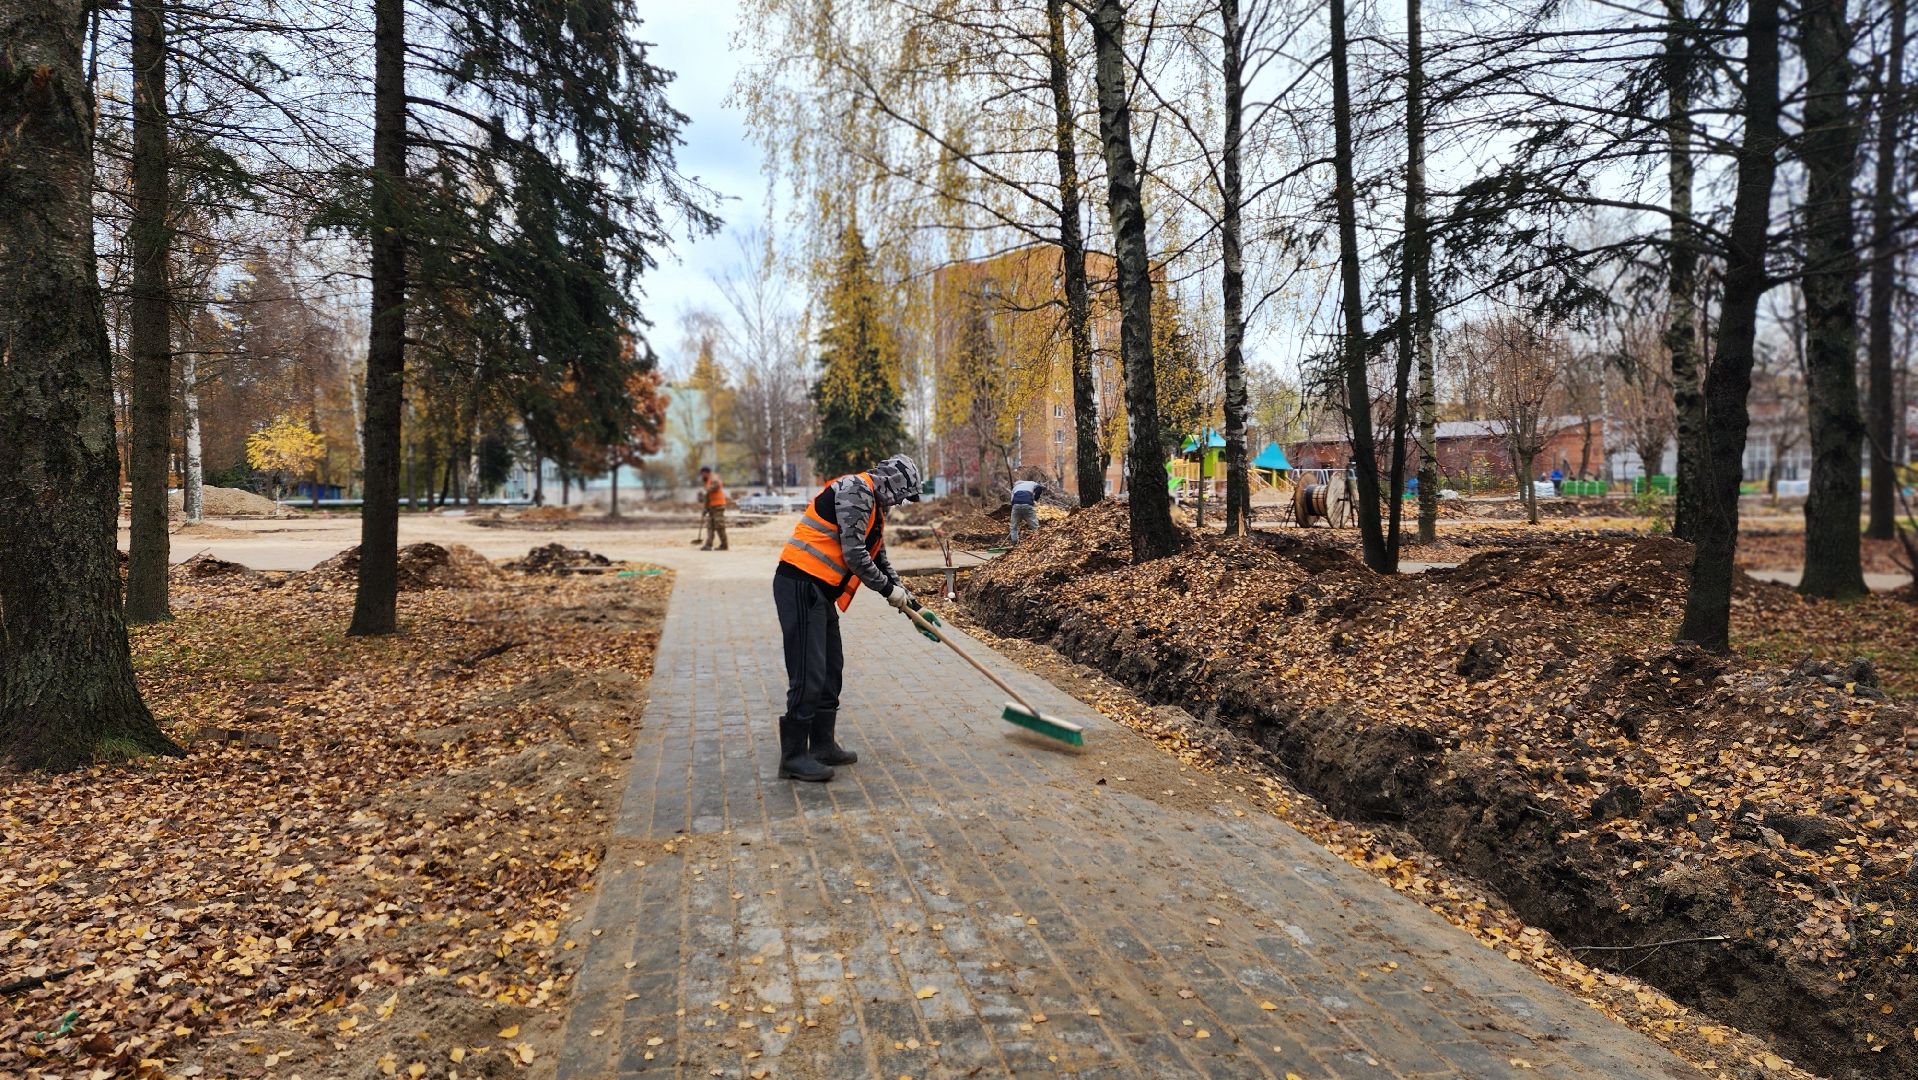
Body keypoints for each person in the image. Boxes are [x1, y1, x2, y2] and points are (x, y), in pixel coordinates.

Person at [772, 454, 922, 782]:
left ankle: (822, 744)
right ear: (892, 482)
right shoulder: (856, 491)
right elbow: (855, 555)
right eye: (902, 495)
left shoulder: (874, 509)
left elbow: (878, 557)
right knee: (808, 671)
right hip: (799, 583)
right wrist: (887, 592)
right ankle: (794, 756)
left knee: (830, 669)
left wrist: (909, 601)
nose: (899, 503)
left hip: (818, 591)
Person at [698, 466, 729, 550]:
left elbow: (716, 486)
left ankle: (724, 545)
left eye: (702, 474)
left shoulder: (714, 478)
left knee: (719, 526)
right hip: (712, 506)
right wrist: (705, 508)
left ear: (706, 472)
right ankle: (708, 545)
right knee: (710, 526)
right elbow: (707, 497)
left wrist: (707, 490)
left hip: (718, 506)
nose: (701, 476)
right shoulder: (707, 481)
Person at [1008, 476, 1046, 542]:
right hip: (1027, 505)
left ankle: (1014, 543)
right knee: (1035, 526)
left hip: (1016, 506)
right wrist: (1036, 498)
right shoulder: (1032, 483)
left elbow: (1012, 501)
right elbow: (1039, 487)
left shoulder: (1015, 488)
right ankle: (1038, 541)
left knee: (1013, 527)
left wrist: (1018, 514)